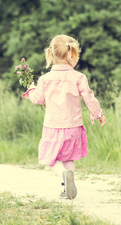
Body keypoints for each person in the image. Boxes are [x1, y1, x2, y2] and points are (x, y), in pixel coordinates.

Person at [22, 34, 106, 200]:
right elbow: (89, 97)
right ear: (72, 54)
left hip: (53, 127)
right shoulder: (79, 77)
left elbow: (38, 99)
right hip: (74, 127)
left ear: (51, 55)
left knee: (50, 158)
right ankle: (66, 188)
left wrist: (31, 89)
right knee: (68, 158)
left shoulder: (46, 79)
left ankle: (63, 176)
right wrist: (98, 114)